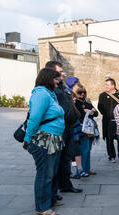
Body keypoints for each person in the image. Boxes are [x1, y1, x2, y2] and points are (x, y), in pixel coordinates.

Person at [23, 68, 65, 215]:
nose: (58, 81)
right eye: (55, 78)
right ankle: (42, 207)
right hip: (44, 141)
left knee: (52, 173)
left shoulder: (49, 94)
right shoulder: (41, 94)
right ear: (47, 78)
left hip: (53, 139)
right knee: (45, 174)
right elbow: (34, 119)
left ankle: (51, 199)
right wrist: (27, 139)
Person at [45, 61, 82, 194]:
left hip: (69, 127)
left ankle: (66, 185)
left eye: (62, 72)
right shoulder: (49, 89)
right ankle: (53, 191)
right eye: (60, 72)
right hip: (59, 128)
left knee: (66, 158)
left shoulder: (62, 87)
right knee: (56, 161)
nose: (62, 74)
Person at [74, 84, 99, 176]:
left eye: (84, 92)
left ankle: (87, 169)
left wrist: (89, 112)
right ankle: (81, 170)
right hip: (81, 128)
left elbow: (96, 113)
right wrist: (90, 111)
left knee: (88, 149)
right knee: (84, 150)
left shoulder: (87, 102)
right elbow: (79, 114)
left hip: (90, 129)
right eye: (80, 92)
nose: (82, 94)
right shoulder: (75, 102)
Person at [98, 78, 119, 163]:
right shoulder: (102, 95)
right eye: (106, 85)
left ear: (113, 85)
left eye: (108, 85)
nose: (106, 86)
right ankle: (111, 156)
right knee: (109, 139)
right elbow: (100, 107)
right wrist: (107, 114)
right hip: (108, 121)